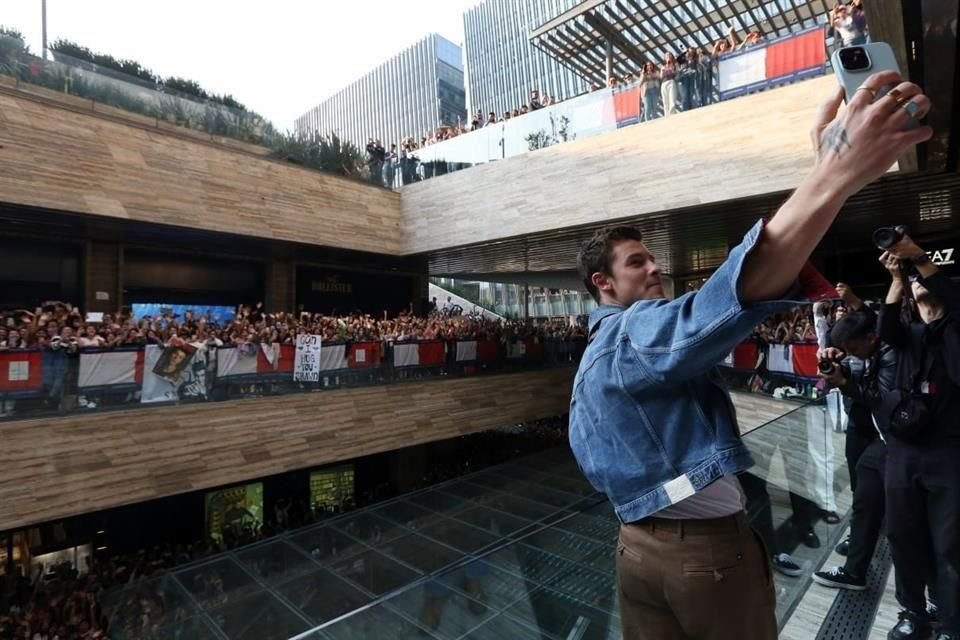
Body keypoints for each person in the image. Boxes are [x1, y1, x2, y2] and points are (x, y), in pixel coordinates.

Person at [569, 71, 931, 640]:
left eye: (652, 257)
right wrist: (832, 171)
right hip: (704, 559)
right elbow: (734, 293)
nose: (655, 267)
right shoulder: (632, 331)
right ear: (603, 284)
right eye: (637, 261)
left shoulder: (592, 359)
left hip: (634, 550)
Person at [875, 233, 960, 640]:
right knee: (903, 536)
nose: (919, 282)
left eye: (928, 279)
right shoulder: (907, 333)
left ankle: (950, 621)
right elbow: (884, 329)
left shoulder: (955, 329)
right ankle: (912, 612)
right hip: (904, 452)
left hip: (949, 451)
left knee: (950, 544)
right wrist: (896, 279)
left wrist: (921, 259)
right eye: (915, 280)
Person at [813, 310, 897, 591]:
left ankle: (933, 602)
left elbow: (881, 400)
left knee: (907, 522)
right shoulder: (866, 352)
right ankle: (854, 572)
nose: (849, 354)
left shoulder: (893, 355)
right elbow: (855, 369)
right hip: (882, 443)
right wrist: (837, 365)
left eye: (852, 349)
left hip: (906, 445)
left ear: (871, 338)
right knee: (864, 500)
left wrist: (845, 383)